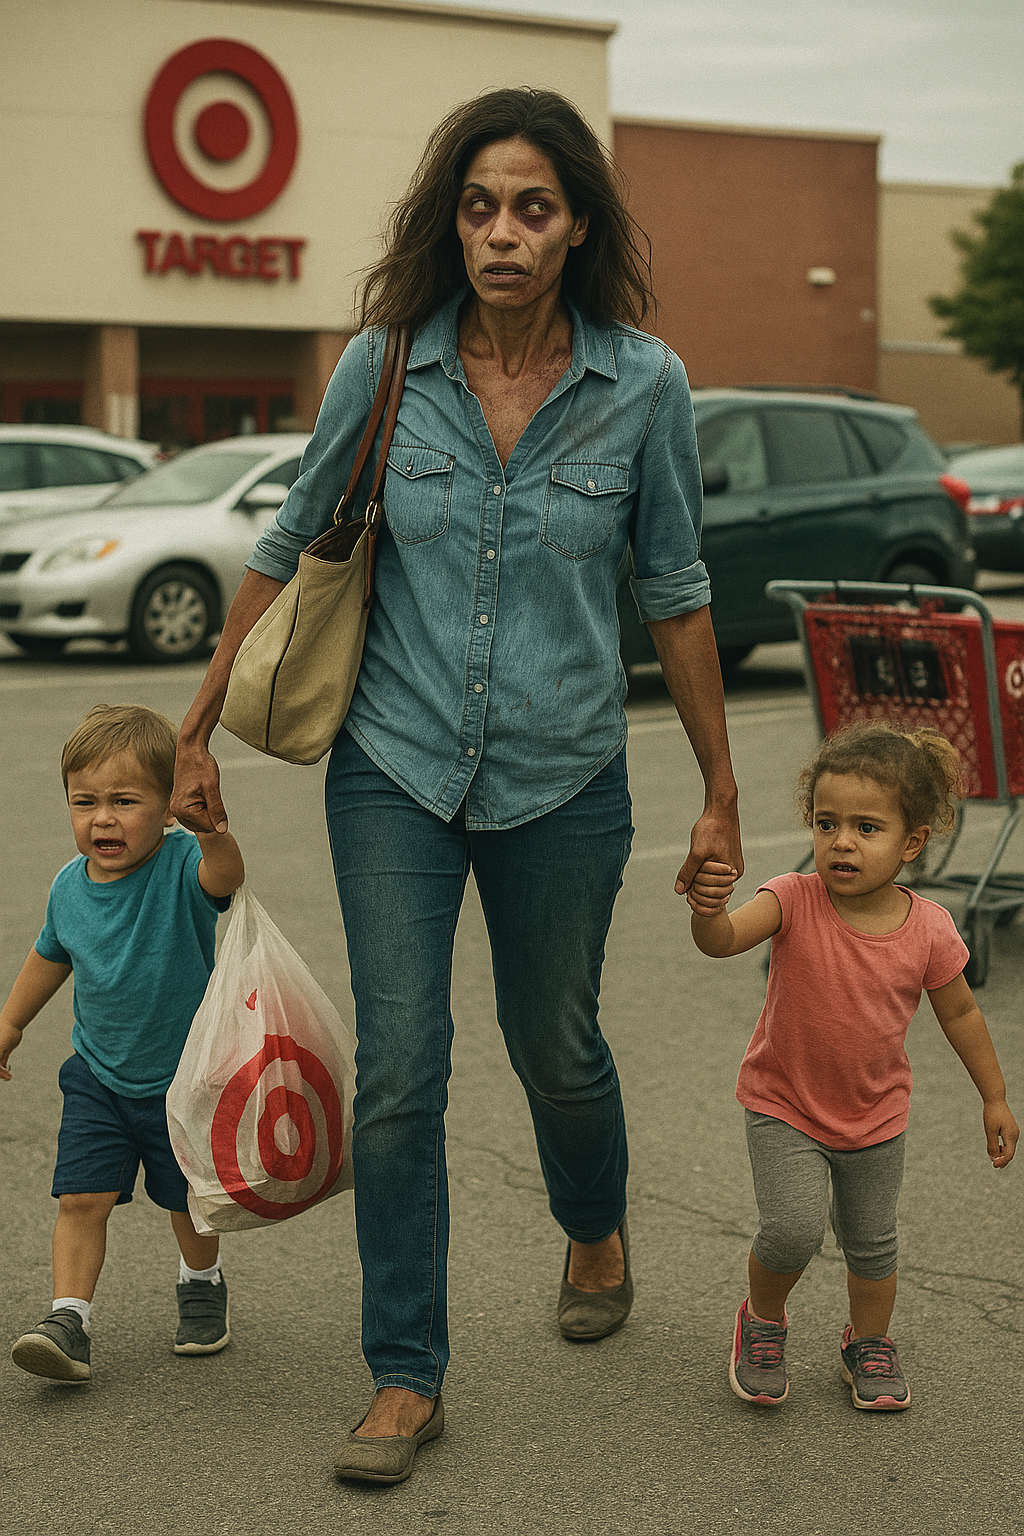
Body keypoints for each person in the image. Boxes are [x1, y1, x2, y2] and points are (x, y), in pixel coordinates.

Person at [170, 87, 742, 1482]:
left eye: (532, 207)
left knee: (558, 1048)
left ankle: (592, 1222)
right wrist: (195, 730)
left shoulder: (642, 384)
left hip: (565, 775)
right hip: (394, 767)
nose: (502, 231)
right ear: (453, 221)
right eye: (480, 205)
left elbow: (670, 591)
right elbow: (289, 539)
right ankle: (405, 1376)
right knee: (403, 1069)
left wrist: (724, 789)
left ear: (576, 227)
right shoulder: (385, 363)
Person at [688, 720, 1018, 1411]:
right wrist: (708, 909)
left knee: (872, 1247)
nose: (842, 841)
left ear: (912, 842)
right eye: (828, 823)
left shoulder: (928, 928)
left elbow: (960, 1015)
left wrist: (994, 1097)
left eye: (867, 828)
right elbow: (721, 942)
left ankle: (867, 1343)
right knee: (792, 1229)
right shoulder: (792, 898)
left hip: (876, 1116)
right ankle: (763, 1321)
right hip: (785, 1106)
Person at [2, 704, 245, 1384]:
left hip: (181, 1081)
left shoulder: (180, 866)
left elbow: (226, 881)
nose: (101, 819)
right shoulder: (67, 887)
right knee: (81, 1199)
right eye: (85, 802)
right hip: (98, 1080)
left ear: (167, 809)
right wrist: (11, 1022)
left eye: (123, 801)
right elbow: (52, 954)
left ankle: (202, 1283)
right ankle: (68, 1319)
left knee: (187, 1202)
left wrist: (214, 833)